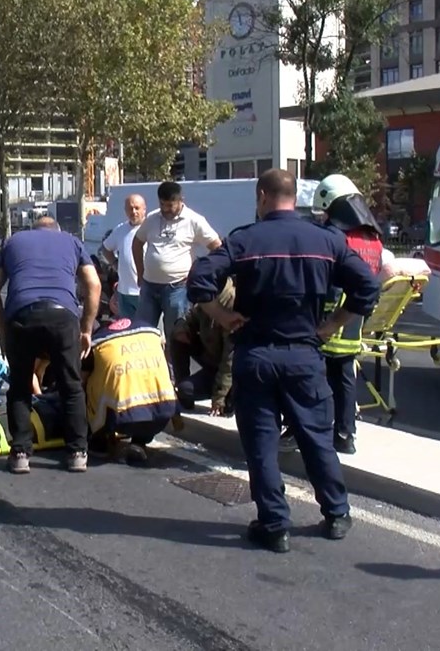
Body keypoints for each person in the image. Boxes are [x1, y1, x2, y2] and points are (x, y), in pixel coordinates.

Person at [186, 168, 380, 553]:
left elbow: (199, 279)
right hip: (305, 354)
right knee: (315, 437)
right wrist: (332, 324)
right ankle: (337, 513)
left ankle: (275, 525)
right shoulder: (326, 239)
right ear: (295, 198)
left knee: (261, 443)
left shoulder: (245, 239)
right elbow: (367, 286)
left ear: (262, 196)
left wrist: (223, 316)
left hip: (256, 354)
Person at [0, 216, 101, 474]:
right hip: (62, 316)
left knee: (20, 386)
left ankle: (20, 453)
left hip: (22, 316)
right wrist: (86, 328)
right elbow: (93, 285)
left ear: (33, 230)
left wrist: (3, 330)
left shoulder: (14, 241)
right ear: (57, 230)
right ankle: (77, 452)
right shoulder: (72, 242)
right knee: (71, 386)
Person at [312, 174, 385, 455]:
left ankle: (306, 430)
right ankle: (345, 435)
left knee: (314, 377)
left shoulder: (336, 236)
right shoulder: (373, 238)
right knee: (344, 378)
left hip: (328, 319)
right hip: (353, 319)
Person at [132, 181, 221, 343]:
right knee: (142, 334)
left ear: (181, 201)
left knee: (175, 337)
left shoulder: (194, 220)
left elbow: (217, 247)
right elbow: (137, 243)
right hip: (149, 287)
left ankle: (172, 361)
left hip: (177, 289)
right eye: (162, 204)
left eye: (170, 205)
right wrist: (140, 272)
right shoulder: (152, 218)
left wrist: (201, 273)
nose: (166, 209)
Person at [82, 317, 178, 465]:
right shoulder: (151, 333)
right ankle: (139, 442)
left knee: (91, 384)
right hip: (163, 413)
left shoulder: (96, 344)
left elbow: (81, 380)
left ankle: (99, 442)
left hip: (122, 418)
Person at [171, 279, 236, 417]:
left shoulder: (232, 304)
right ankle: (183, 397)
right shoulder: (206, 299)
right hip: (213, 360)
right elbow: (190, 317)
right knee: (177, 335)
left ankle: (229, 399)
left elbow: (229, 360)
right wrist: (182, 328)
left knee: (227, 401)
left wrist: (219, 397)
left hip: (232, 370)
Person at [101, 194, 147, 319]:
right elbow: (105, 248)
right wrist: (115, 263)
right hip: (124, 293)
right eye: (130, 208)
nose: (134, 212)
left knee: (146, 327)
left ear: (144, 209)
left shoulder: (150, 229)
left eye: (137, 208)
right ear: (125, 210)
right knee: (127, 328)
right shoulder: (120, 229)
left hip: (145, 293)